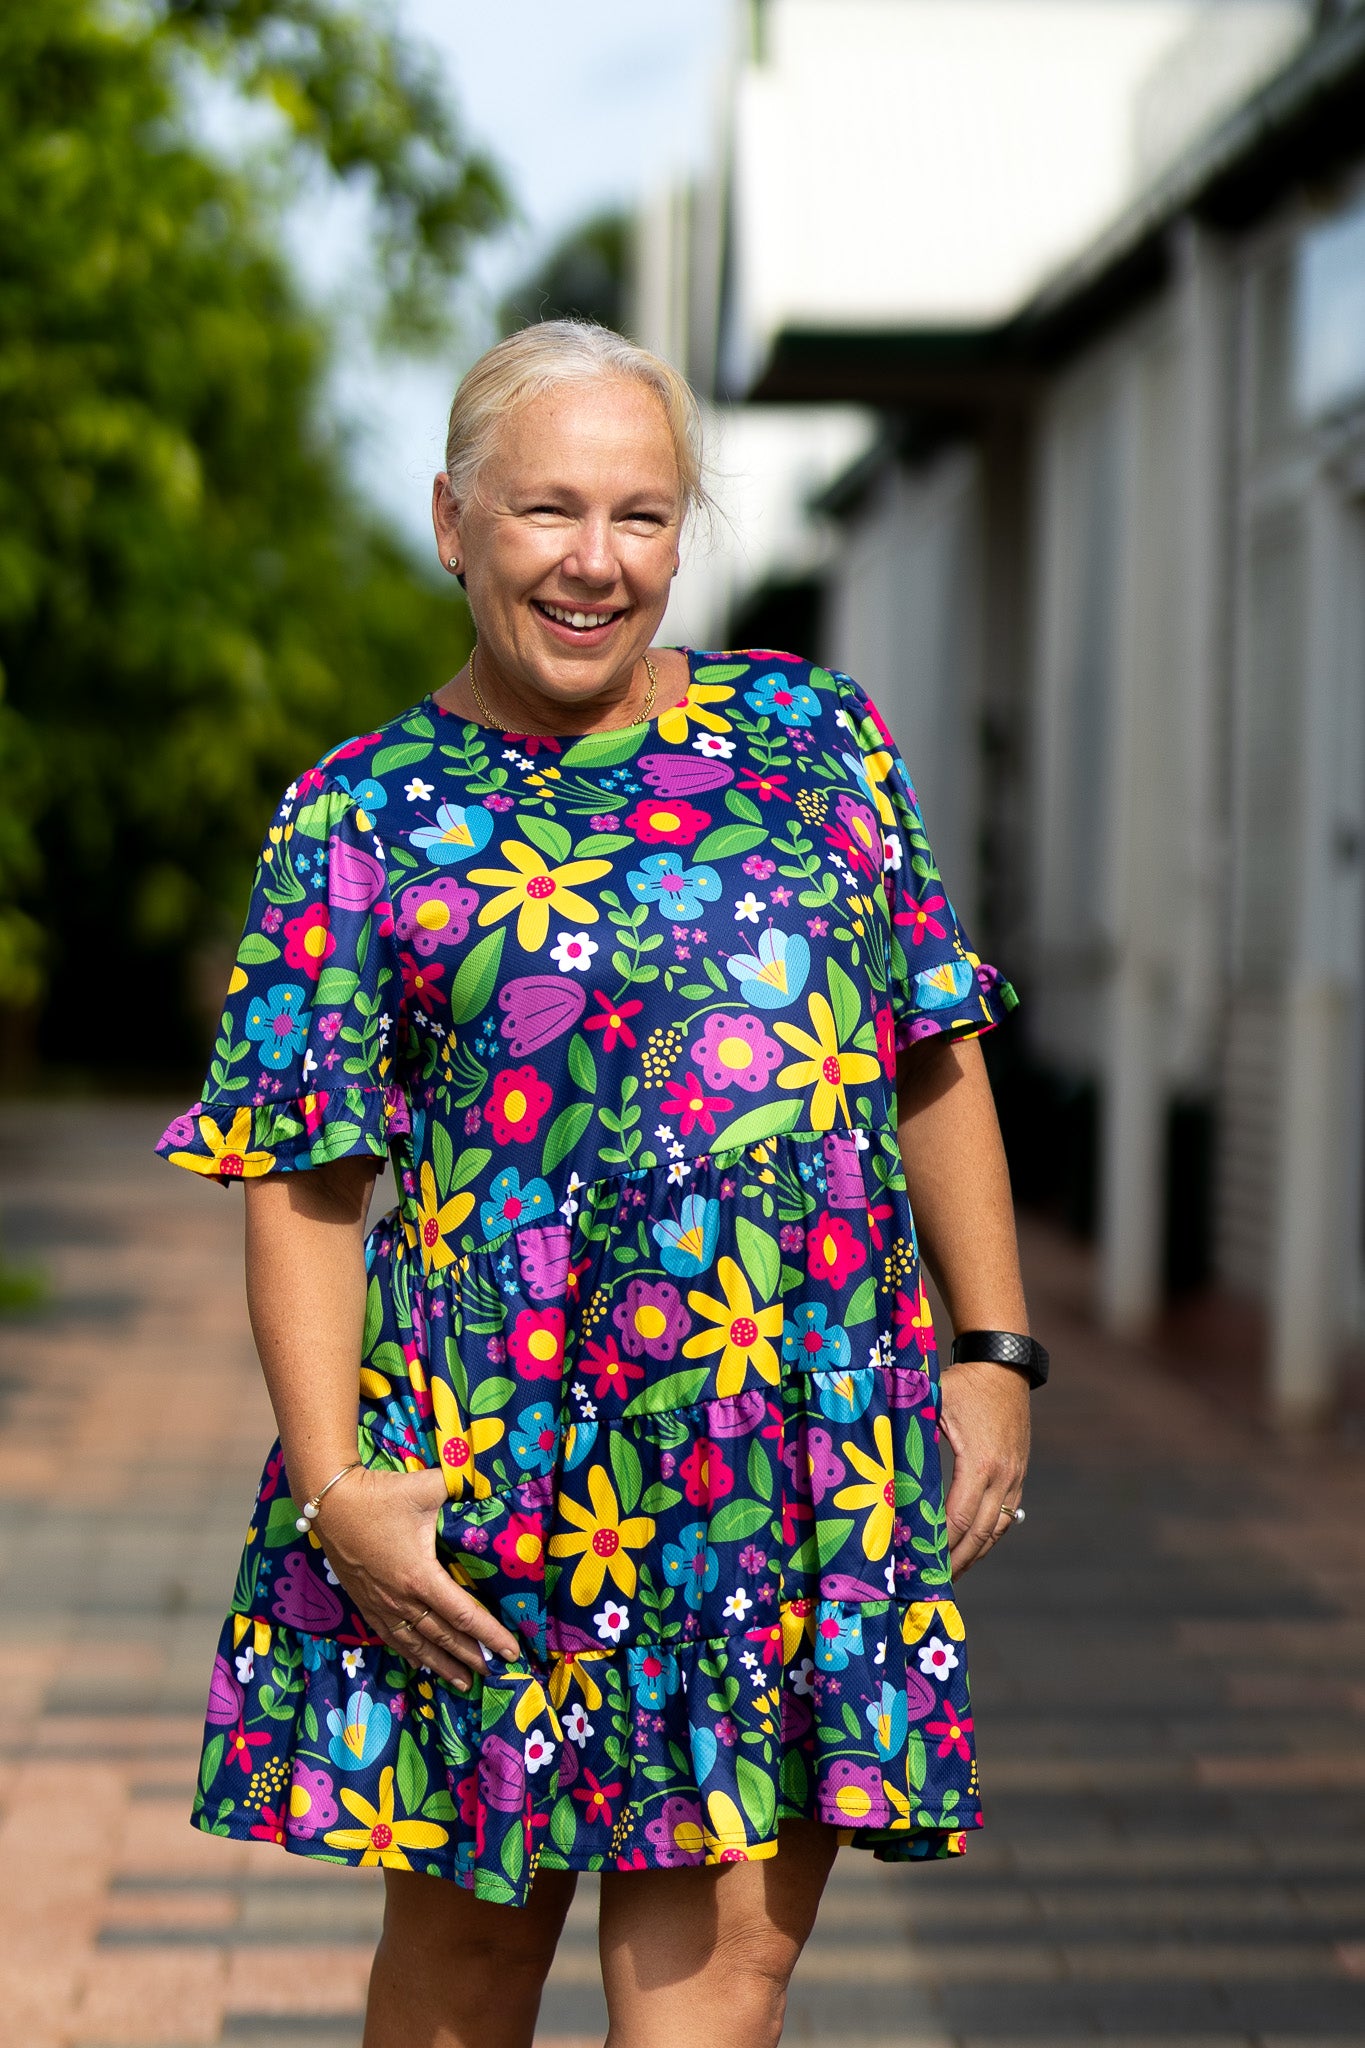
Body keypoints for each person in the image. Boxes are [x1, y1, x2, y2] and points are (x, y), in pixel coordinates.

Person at [158, 321, 1037, 2048]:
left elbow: (930, 1049)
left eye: (640, 516)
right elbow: (301, 1176)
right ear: (450, 521)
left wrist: (992, 1349)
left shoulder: (817, 740)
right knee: (473, 1967)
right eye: (547, 509)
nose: (593, 560)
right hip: (499, 1467)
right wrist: (339, 1487)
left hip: (787, 1459)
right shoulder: (360, 815)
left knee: (725, 1981)